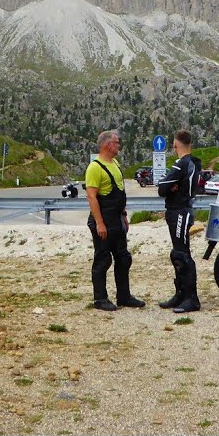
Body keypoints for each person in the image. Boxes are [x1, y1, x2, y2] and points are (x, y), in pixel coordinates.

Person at [84, 130, 143, 312]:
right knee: (102, 260)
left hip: (117, 220)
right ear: (108, 145)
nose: (119, 145)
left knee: (123, 258)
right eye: (116, 143)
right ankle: (100, 299)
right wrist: (100, 223)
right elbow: (92, 198)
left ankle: (124, 296)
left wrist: (124, 216)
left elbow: (120, 194)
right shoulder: (94, 168)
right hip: (103, 221)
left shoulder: (115, 164)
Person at [156, 129, 202, 313]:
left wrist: (170, 186)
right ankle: (181, 294)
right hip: (183, 210)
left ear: (175, 144)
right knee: (178, 253)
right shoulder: (194, 163)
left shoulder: (182, 164)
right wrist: (170, 186)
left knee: (182, 254)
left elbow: (161, 188)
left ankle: (191, 298)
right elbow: (167, 186)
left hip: (180, 211)